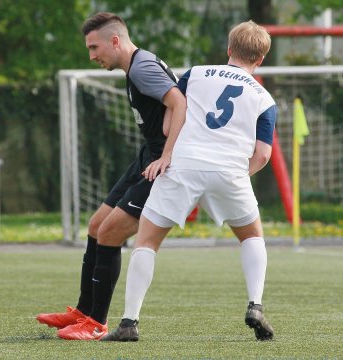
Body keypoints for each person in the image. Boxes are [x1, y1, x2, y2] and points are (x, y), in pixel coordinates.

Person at [101, 20, 276, 342]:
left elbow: (169, 124)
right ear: (260, 58)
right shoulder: (265, 99)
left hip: (184, 166)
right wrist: (238, 174)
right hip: (230, 171)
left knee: (147, 241)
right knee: (252, 236)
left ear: (228, 49)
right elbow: (263, 154)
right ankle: (256, 305)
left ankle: (129, 322)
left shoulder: (196, 73)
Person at [36, 12, 187, 340]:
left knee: (110, 233)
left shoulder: (142, 68)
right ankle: (84, 311)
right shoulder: (136, 65)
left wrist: (169, 155)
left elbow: (180, 102)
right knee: (95, 226)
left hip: (163, 164)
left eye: (94, 47)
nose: (91, 56)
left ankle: (96, 323)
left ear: (115, 41)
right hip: (147, 156)